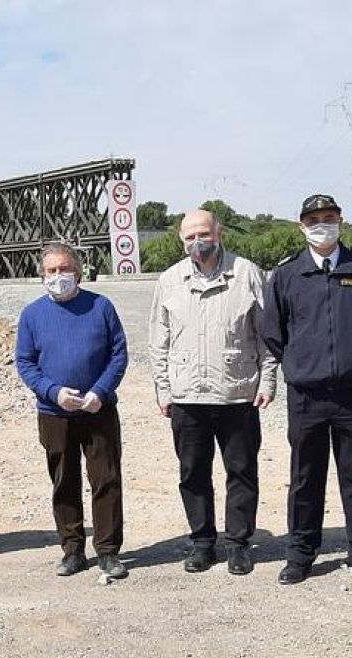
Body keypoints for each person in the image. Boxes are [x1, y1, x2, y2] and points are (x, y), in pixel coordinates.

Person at [261, 194, 352, 589]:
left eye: (329, 217)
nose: (322, 224)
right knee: (305, 475)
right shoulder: (287, 274)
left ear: (341, 220)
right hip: (307, 394)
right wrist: (302, 363)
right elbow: (273, 330)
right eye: (314, 219)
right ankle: (300, 554)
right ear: (301, 225)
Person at [148, 210, 277, 576]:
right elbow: (159, 341)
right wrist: (163, 388)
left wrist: (267, 381)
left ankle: (238, 544)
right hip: (188, 396)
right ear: (181, 240)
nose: (197, 242)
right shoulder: (170, 280)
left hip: (237, 394)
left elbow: (267, 335)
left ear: (219, 233)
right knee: (193, 473)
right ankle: (202, 542)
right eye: (189, 237)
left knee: (241, 471)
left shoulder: (246, 273)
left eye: (203, 233)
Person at [16, 242, 129, 578]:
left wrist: (100, 391)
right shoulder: (32, 315)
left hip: (99, 410)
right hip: (54, 412)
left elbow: (118, 354)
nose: (58, 276)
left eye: (64, 269)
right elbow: (25, 362)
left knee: (106, 479)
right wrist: (53, 392)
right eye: (51, 271)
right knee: (64, 480)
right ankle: (72, 549)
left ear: (78, 271)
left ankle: (108, 551)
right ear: (42, 275)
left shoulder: (101, 306)